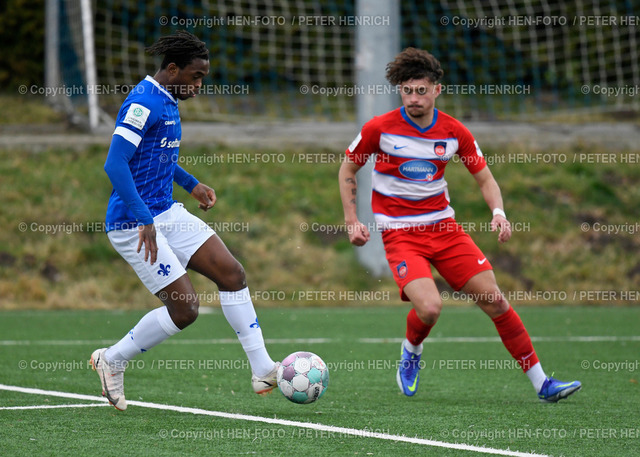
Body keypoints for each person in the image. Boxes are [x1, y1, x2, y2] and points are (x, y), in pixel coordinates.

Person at [338, 47, 581, 402]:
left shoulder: (454, 132)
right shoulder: (379, 128)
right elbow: (347, 168)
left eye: (421, 90)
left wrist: (499, 214)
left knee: (496, 301)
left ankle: (543, 383)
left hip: (444, 230)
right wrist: (352, 221)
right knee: (431, 307)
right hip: (401, 234)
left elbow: (485, 179)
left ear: (437, 89)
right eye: (407, 90)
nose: (413, 98)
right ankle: (411, 352)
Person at [90, 31, 279, 411]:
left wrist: (190, 184)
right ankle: (112, 359)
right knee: (186, 310)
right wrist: (144, 218)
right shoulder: (144, 102)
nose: (199, 84)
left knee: (232, 273)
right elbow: (116, 162)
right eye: (195, 76)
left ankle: (263, 369)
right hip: (133, 223)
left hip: (166, 212)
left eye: (203, 77)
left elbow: (154, 155)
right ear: (172, 69)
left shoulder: (167, 98)